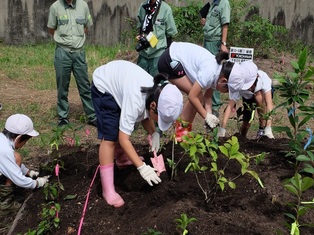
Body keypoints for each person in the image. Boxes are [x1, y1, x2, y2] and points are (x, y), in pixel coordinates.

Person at [91, 60, 183, 207]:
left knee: (120, 127)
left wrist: (154, 134)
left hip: (121, 85)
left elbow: (146, 115)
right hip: (105, 87)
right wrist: (142, 167)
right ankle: (107, 190)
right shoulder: (136, 99)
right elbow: (124, 139)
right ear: (154, 105)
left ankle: (121, 159)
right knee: (110, 137)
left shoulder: (154, 93)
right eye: (160, 118)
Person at [158, 41, 239, 141]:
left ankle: (183, 133)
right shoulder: (210, 72)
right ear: (223, 81)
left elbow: (208, 97)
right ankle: (181, 136)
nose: (224, 93)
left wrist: (209, 115)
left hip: (175, 56)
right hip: (169, 60)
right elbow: (192, 96)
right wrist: (206, 116)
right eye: (226, 90)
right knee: (197, 97)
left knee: (199, 97)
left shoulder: (218, 73)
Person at [47, 0, 97, 127]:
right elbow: (51, 29)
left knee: (85, 85)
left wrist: (76, 40)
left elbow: (86, 26)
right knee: (62, 86)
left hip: (79, 53)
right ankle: (63, 117)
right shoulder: (55, 7)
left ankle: (92, 116)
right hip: (62, 53)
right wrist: (65, 40)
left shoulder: (83, 6)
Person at [0, 114, 50, 215]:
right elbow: (19, 180)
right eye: (26, 141)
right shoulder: (5, 151)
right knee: (17, 157)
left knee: (16, 157)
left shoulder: (2, 140)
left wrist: (29, 172)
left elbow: (9, 163)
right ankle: (5, 204)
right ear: (19, 138)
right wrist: (38, 183)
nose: (25, 144)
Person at [218, 60, 275, 139]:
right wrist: (222, 128)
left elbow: (269, 103)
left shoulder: (263, 80)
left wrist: (268, 127)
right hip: (248, 98)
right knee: (246, 122)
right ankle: (242, 137)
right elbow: (229, 106)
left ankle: (262, 128)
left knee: (259, 98)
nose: (249, 87)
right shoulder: (239, 84)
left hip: (261, 96)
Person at [201, 0, 230, 117]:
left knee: (216, 73)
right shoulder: (213, 3)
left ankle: (215, 107)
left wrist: (223, 43)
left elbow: (225, 25)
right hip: (207, 41)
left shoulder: (224, 3)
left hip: (215, 42)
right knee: (208, 71)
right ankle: (208, 102)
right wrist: (204, 22)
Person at [136, 0, 178, 77]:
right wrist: (140, 36)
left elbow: (171, 32)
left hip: (158, 53)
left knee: (157, 84)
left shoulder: (165, 8)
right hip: (143, 53)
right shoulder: (143, 6)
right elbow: (140, 27)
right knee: (140, 82)